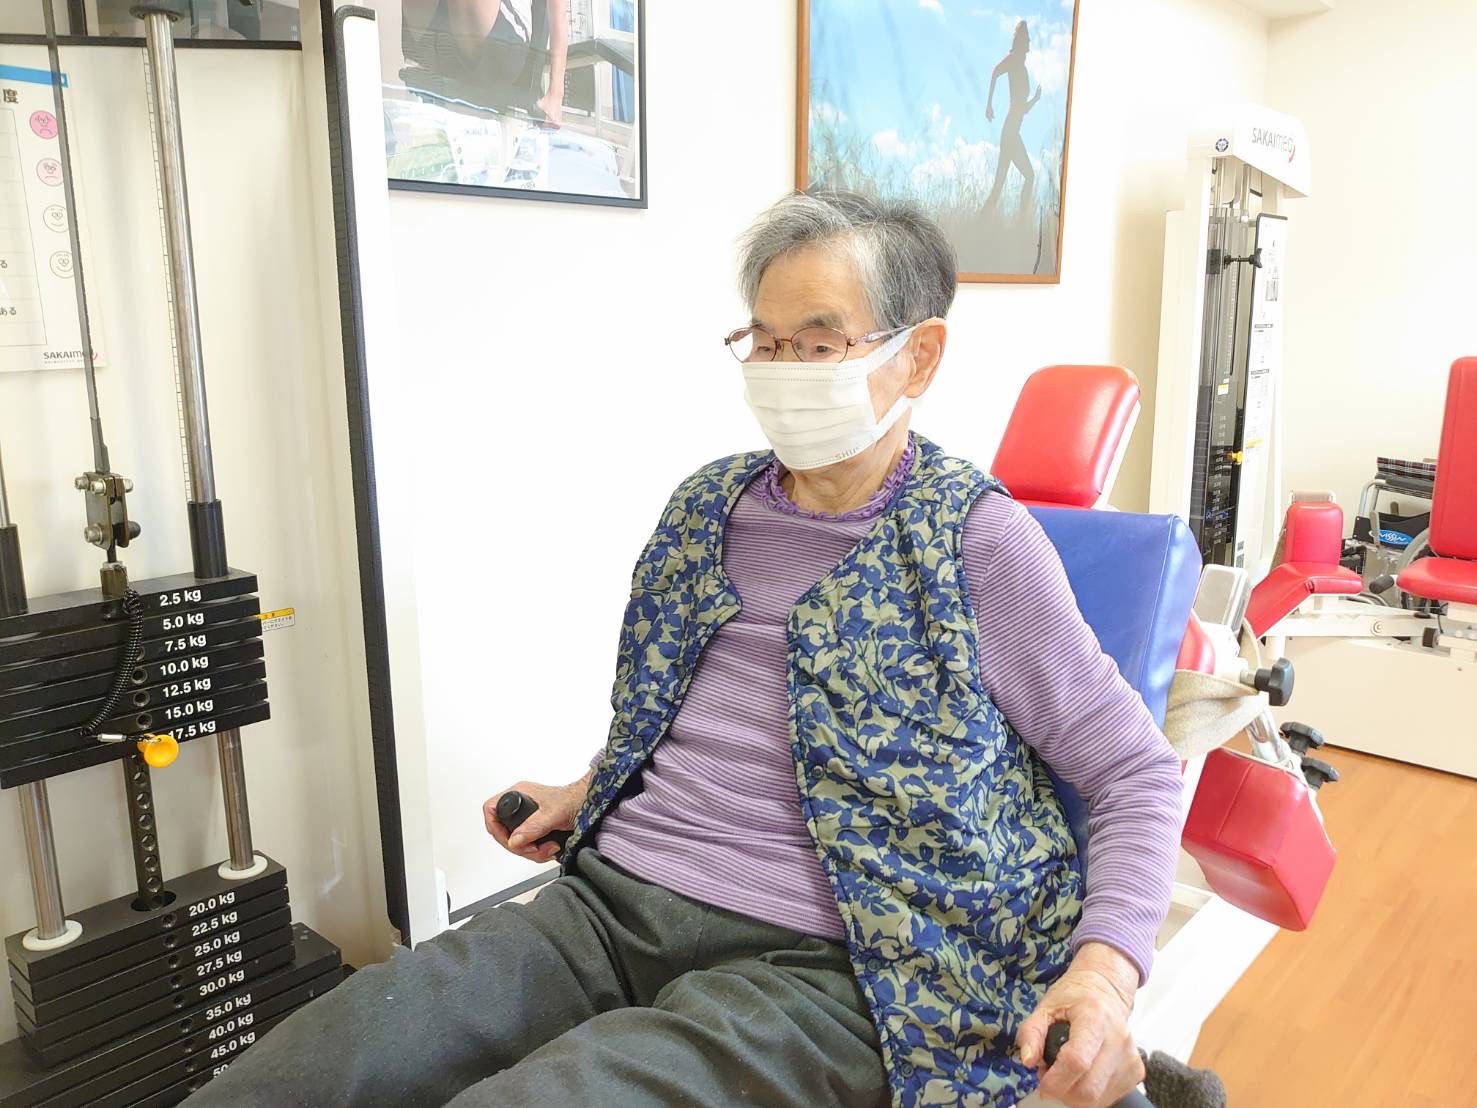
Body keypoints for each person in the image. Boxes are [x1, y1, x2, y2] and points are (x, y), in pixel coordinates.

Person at [188, 191, 1182, 1108]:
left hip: (831, 963)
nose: (782, 371)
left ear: (917, 357)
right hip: (608, 908)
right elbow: (682, 702)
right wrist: (591, 785)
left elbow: (1131, 771)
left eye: (818, 343)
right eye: (765, 342)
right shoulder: (708, 505)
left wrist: (1105, 970)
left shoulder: (976, 543)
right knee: (302, 1074)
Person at [984, 20, 1043, 214]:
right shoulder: (1013, 58)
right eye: (1027, 38)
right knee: (1029, 177)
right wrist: (989, 104)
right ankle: (1021, 223)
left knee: (998, 190)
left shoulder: (1022, 68)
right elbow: (995, 71)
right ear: (1021, 40)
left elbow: (1022, 109)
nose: (1030, 41)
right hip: (1010, 132)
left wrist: (1035, 99)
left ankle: (980, 222)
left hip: (1012, 132)